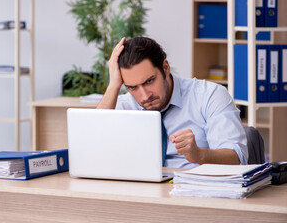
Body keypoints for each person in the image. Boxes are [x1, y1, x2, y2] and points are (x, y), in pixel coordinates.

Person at [97, 36, 248, 168]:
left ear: (165, 68)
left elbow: (237, 159)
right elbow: (93, 148)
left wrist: (200, 155)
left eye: (149, 81)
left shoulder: (209, 96)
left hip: (194, 193)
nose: (144, 96)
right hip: (139, 193)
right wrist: (113, 86)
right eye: (132, 87)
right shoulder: (123, 106)